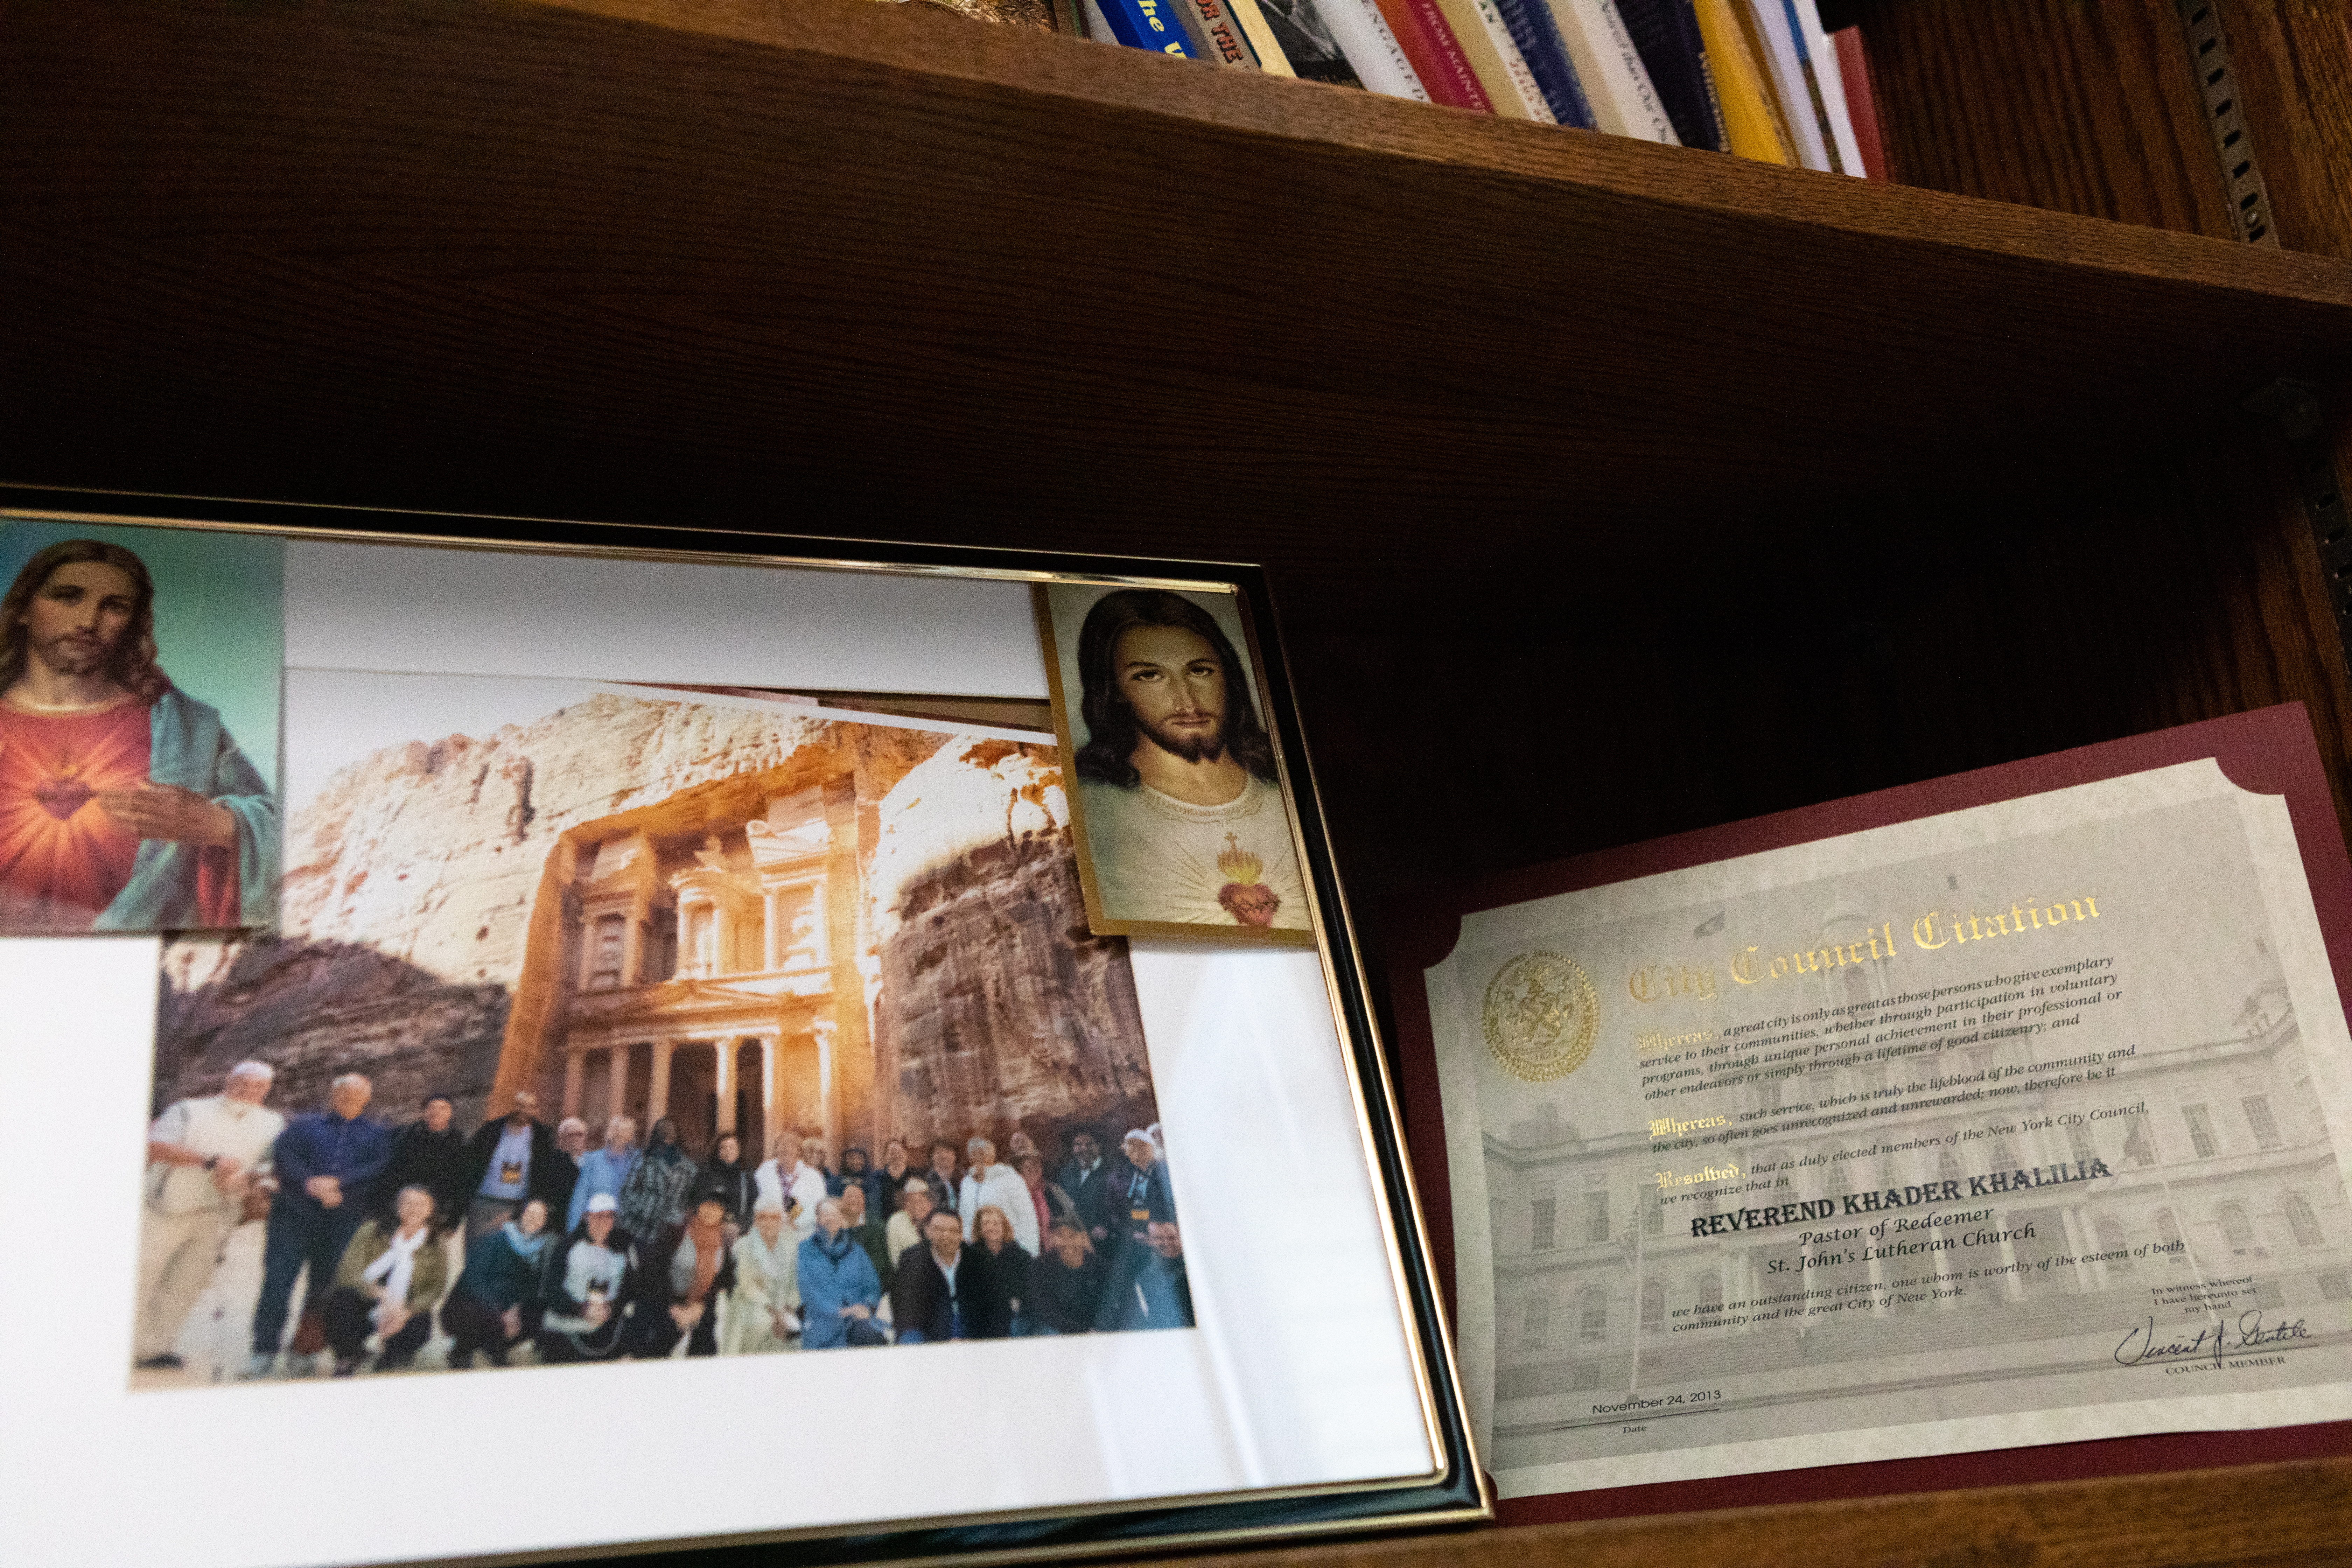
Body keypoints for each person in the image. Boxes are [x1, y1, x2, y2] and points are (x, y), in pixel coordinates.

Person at [0, 538, 277, 933]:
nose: (88, 620)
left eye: (115, 606)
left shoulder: (185, 727)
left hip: (146, 970)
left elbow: (279, 826)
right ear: (25, 608)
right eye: (68, 597)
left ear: (133, 622)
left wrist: (219, 824)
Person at [1066, 588, 1306, 931]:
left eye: (1200, 671)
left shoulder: (1288, 791)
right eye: (1149, 675)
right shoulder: (1090, 806)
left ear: (1228, 673)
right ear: (1114, 690)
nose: (1187, 699)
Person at [136, 1060, 285, 1369]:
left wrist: (251, 1183)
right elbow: (155, 1147)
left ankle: (153, 1349)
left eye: (259, 1085)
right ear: (229, 1079)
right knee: (142, 1276)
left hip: (220, 1213)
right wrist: (210, 1162)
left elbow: (268, 1166)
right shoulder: (189, 1109)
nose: (249, 1090)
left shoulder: (272, 1122)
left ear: (268, 1089)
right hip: (167, 1206)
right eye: (243, 1081)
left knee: (187, 1282)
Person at [250, 1072, 392, 1376]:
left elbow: (378, 1167)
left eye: (357, 1094)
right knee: (278, 1282)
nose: (349, 1097)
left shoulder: (377, 1135)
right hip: (293, 1217)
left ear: (367, 1099)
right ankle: (263, 1348)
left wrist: (338, 1183)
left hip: (343, 1220)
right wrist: (310, 1183)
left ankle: (306, 1346)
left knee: (324, 1287)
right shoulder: (303, 1126)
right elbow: (284, 1155)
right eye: (343, 1092)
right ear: (333, 1094)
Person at [320, 1184, 448, 1375]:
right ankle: (349, 1356)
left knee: (420, 1325)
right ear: (397, 1206)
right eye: (408, 1203)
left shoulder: (436, 1244)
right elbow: (347, 1271)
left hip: (405, 1303)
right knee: (342, 1303)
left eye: (422, 1204)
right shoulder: (373, 1230)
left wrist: (407, 1311)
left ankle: (393, 1358)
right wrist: (381, 1295)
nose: (414, 1209)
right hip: (367, 1294)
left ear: (431, 1210)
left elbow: (435, 1289)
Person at [441, 1196, 554, 1368]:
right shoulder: (496, 1239)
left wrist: (515, 1309)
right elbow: (474, 1280)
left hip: (505, 1309)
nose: (534, 1219)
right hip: (471, 1302)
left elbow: (530, 1287)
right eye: (530, 1213)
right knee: (481, 1316)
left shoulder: (536, 1251)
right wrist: (501, 1311)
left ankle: (488, 1346)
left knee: (535, 1314)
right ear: (522, 1214)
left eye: (540, 1216)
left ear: (545, 1222)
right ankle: (472, 1352)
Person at [627, 1193, 736, 1359]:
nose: (711, 1212)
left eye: (717, 1207)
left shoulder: (725, 1240)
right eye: (707, 1205)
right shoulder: (677, 1232)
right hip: (665, 1300)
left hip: (700, 1306)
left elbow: (721, 1281)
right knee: (658, 1349)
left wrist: (700, 1308)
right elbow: (656, 1273)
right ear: (697, 1206)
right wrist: (674, 1308)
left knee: (704, 1350)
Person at [459, 1088, 565, 1245]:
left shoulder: (542, 1137)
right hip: (484, 1203)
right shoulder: (491, 1130)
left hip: (516, 1206)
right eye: (520, 1105)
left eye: (529, 1107)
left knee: (505, 1253)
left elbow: (546, 1173)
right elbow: (470, 1163)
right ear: (513, 1106)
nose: (524, 1110)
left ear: (535, 1110)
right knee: (476, 1251)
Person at [540, 1193, 636, 1364]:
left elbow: (630, 1288)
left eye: (609, 1216)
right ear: (587, 1217)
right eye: (597, 1216)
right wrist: (581, 1310)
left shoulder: (623, 1249)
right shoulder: (567, 1246)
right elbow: (552, 1290)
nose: (603, 1222)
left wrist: (611, 1308)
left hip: (608, 1327)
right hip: (569, 1327)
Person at [891, 1207, 1010, 1344]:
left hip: (972, 1328)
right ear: (928, 1231)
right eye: (939, 1230)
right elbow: (905, 1310)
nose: (946, 1236)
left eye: (953, 1231)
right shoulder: (912, 1260)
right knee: (910, 1339)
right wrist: (943, 1341)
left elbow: (999, 1306)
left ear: (961, 1234)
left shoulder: (981, 1260)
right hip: (929, 1329)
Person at [798, 1197, 886, 1348]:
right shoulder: (805, 1251)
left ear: (842, 1219)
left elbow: (872, 1287)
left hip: (856, 1319)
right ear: (818, 1219)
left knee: (873, 1338)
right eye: (827, 1214)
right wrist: (839, 1312)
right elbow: (807, 1292)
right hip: (822, 1320)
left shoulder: (857, 1251)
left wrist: (867, 1307)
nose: (832, 1220)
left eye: (836, 1214)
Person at [720, 1198, 801, 1354]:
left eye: (775, 1218)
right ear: (756, 1221)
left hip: (783, 1304)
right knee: (761, 1322)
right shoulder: (744, 1246)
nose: (769, 1222)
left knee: (796, 1329)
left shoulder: (791, 1246)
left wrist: (789, 1307)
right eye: (763, 1217)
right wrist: (775, 1313)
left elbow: (795, 1284)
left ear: (782, 1222)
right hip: (752, 1302)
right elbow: (747, 1286)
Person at [382, 1093, 469, 1234]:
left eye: (442, 1108)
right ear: (424, 1111)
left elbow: (462, 1184)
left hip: (436, 1212)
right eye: (432, 1108)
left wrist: (453, 1220)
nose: (436, 1112)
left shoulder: (459, 1143)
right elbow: (391, 1173)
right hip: (402, 1206)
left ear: (450, 1113)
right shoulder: (407, 1136)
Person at [1096, 1220, 1193, 1333]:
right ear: (1150, 1241)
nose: (1166, 1243)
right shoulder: (1143, 1280)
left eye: (1172, 1238)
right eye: (1158, 1238)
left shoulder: (1195, 1272)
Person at [616, 1116, 696, 1244]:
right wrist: (643, 1208)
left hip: (674, 1231)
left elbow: (692, 1197)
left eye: (671, 1134)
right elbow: (627, 1192)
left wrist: (681, 1216)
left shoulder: (688, 1166)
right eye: (663, 1134)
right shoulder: (643, 1160)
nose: (667, 1139)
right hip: (641, 1228)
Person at [958, 1137, 1036, 1256]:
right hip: (977, 1253)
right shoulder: (966, 1183)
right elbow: (965, 1219)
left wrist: (1030, 1252)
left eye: (982, 1153)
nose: (979, 1158)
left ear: (992, 1155)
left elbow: (1027, 1216)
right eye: (974, 1154)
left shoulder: (1010, 1178)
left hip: (1009, 1250)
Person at [1106, 1128, 1175, 1261]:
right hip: (1135, 1239)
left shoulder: (1165, 1171)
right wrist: (1132, 1233)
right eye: (1132, 1151)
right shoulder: (1120, 1177)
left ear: (1151, 1149)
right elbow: (1115, 1211)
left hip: (1165, 1237)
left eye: (1142, 1149)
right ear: (1126, 1153)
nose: (1137, 1155)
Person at [1030, 1217, 1107, 1335]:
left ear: (1083, 1238)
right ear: (1052, 1239)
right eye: (1060, 1236)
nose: (1068, 1242)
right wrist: (1080, 1331)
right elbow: (1044, 1310)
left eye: (1073, 1236)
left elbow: (1107, 1306)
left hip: (1094, 1330)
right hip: (1058, 1329)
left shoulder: (1100, 1267)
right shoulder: (1040, 1266)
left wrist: (1095, 1330)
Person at [567, 1115, 638, 1232]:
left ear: (631, 1137)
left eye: (626, 1134)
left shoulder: (638, 1162)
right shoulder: (594, 1160)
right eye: (617, 1134)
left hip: (624, 1229)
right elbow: (580, 1197)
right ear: (610, 1134)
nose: (619, 1139)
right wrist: (572, 1232)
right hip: (595, 1226)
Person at [754, 1129, 827, 1241]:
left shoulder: (813, 1176)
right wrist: (773, 1223)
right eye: (783, 1147)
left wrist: (797, 1224)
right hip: (770, 1232)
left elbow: (820, 1207)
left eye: (792, 1147)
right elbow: (757, 1201)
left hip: (804, 1234)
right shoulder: (764, 1171)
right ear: (777, 1151)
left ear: (799, 1152)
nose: (787, 1151)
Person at [973, 1205, 1035, 1336]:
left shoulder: (1021, 1256)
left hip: (1016, 1315)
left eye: (996, 1224)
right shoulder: (971, 1256)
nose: (991, 1228)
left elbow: (1030, 1292)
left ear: (1004, 1227)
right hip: (984, 1317)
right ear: (979, 1229)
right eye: (986, 1223)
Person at [1058, 1129, 1114, 1249]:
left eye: (1089, 1144)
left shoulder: (1112, 1171)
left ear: (1098, 1146)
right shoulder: (1067, 1173)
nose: (1084, 1148)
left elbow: (1119, 1207)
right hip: (1074, 1241)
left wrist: (1107, 1228)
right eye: (1078, 1145)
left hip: (1104, 1241)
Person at [692, 1132, 757, 1234]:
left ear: (738, 1150)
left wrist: (743, 1227)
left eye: (732, 1148)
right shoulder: (707, 1173)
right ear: (718, 1151)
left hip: (740, 1230)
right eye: (723, 1148)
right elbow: (699, 1203)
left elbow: (753, 1204)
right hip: (711, 1230)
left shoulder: (747, 1174)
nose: (728, 1152)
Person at [836, 1180, 890, 1284]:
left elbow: (878, 1265)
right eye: (849, 1197)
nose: (854, 1201)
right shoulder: (834, 1228)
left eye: (858, 1198)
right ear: (842, 1202)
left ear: (864, 1203)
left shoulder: (876, 1227)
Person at [1015, 1151, 1072, 1245]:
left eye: (1038, 1167)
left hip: (1050, 1245)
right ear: (1020, 1172)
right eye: (1029, 1169)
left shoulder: (1050, 1191)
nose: (1034, 1172)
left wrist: (1058, 1229)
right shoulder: (1014, 1195)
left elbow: (1066, 1216)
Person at [885, 1177, 934, 1272]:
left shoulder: (934, 1221)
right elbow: (897, 1262)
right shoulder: (896, 1222)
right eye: (912, 1202)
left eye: (921, 1201)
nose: (917, 1206)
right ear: (905, 1203)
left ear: (929, 1204)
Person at [548, 1116, 589, 1230]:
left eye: (580, 1134)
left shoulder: (593, 1163)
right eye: (571, 1135)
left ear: (585, 1137)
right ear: (562, 1139)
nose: (576, 1138)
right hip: (559, 1225)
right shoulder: (553, 1164)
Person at [831, 1144, 883, 1216]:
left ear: (864, 1160)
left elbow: (875, 1208)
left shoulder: (872, 1181)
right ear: (845, 1160)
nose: (855, 1162)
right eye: (851, 1158)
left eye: (859, 1158)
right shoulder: (836, 1182)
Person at [878, 1138, 913, 1217]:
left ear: (906, 1155)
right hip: (886, 1221)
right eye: (893, 1152)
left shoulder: (915, 1175)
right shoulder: (878, 1177)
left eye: (900, 1152)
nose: (896, 1156)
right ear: (886, 1156)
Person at [925, 1139, 961, 1216]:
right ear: (932, 1157)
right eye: (939, 1152)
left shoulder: (958, 1180)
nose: (944, 1155)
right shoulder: (927, 1182)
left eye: (948, 1151)